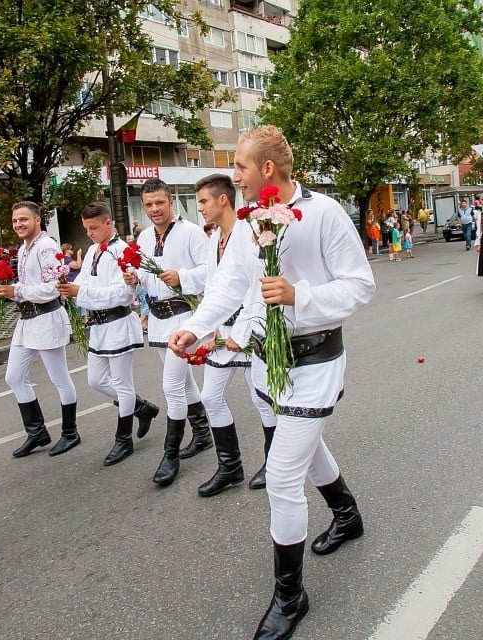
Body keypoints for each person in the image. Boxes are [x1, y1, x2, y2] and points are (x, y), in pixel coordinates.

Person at [169, 125, 375, 640]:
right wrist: (194, 327)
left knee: (283, 476)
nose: (232, 173)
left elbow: (360, 286)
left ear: (265, 170)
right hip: (269, 366)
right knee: (303, 448)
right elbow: (229, 286)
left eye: (238, 165)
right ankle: (347, 515)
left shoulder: (324, 213)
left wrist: (299, 295)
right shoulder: (245, 224)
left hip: (315, 365)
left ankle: (290, 596)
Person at [190, 174, 277, 496]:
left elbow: (254, 288)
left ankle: (273, 461)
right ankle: (230, 467)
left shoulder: (250, 232)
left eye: (203, 201)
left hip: (250, 329)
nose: (199, 207)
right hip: (222, 331)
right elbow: (215, 288)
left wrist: (238, 334)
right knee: (210, 396)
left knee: (261, 398)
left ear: (222, 199)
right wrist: (207, 327)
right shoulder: (214, 239)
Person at [56, 202, 160, 466]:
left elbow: (124, 295)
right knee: (95, 380)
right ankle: (142, 408)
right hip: (99, 327)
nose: (89, 233)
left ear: (107, 223)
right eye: (86, 228)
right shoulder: (92, 250)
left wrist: (83, 294)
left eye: (93, 227)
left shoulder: (123, 251)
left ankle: (123, 439)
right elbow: (85, 280)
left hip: (118, 323)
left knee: (122, 383)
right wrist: (71, 287)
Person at [128, 177, 210, 486]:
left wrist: (183, 276)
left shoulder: (191, 233)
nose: (154, 209)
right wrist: (134, 279)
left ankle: (170, 454)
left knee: (172, 387)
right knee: (185, 383)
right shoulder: (145, 238)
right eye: (148, 204)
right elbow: (146, 280)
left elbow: (210, 272)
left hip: (185, 318)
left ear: (171, 201)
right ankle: (203, 433)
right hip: (159, 321)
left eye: (159, 202)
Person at [0, 202, 81, 458]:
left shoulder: (47, 247)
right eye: (15, 220)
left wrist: (16, 290)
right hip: (27, 321)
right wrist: (6, 291)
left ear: (37, 220)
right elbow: (27, 285)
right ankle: (36, 432)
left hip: (47, 318)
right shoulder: (23, 248)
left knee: (59, 378)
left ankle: (70, 432)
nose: (19, 224)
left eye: (24, 219)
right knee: (14, 377)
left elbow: (53, 288)